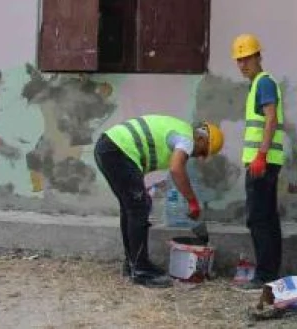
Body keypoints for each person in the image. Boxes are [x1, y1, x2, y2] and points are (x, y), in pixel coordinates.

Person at [93, 115, 223, 288]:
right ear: (201, 138)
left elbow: (166, 169)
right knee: (138, 209)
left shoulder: (179, 130)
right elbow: (177, 169)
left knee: (131, 208)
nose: (198, 157)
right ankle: (141, 270)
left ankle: (133, 263)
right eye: (202, 151)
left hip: (109, 148)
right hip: (118, 150)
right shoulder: (186, 140)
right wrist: (192, 201)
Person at [232, 33, 285, 290]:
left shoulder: (263, 83)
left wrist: (261, 155)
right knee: (268, 217)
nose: (243, 64)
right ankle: (270, 272)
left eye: (247, 58)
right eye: (239, 60)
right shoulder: (258, 84)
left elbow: (271, 119)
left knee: (258, 218)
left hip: (261, 163)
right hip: (264, 161)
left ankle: (265, 275)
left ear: (258, 57)